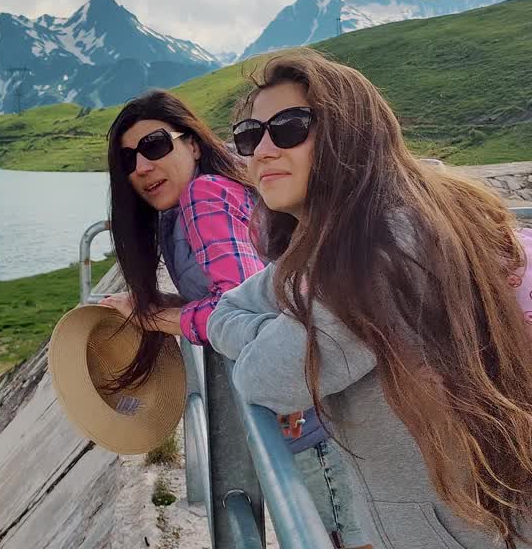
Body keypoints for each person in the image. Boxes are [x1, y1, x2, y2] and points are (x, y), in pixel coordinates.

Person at [207, 48, 532, 549]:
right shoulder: (333, 241)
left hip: (466, 530)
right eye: (250, 136)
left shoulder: (384, 251)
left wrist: (285, 331)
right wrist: (284, 326)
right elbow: (227, 310)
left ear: (348, 134)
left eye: (289, 128)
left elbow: (263, 378)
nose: (262, 151)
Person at [98, 89, 367, 547]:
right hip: (310, 401)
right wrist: (150, 306)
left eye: (155, 145)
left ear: (193, 144)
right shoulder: (187, 206)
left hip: (308, 414)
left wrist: (159, 317)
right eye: (127, 161)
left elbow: (243, 308)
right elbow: (241, 296)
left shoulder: (202, 195)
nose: (141, 167)